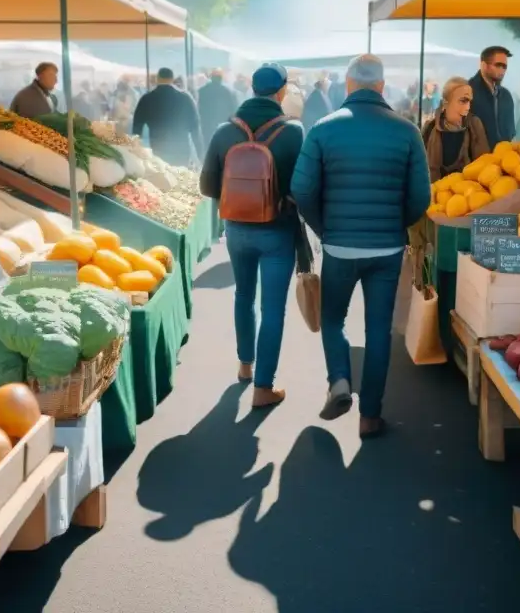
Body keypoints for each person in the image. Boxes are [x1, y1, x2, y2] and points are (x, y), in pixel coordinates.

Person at [291, 55, 430, 439]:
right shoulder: (407, 132)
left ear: (348, 85)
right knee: (379, 330)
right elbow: (421, 197)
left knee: (333, 319)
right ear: (382, 87)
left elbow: (301, 189)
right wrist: (394, 224)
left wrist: (325, 228)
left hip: (339, 247)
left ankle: (338, 380)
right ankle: (370, 415)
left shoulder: (322, 129)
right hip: (386, 249)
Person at [199, 63, 304, 408]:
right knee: (273, 308)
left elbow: (206, 185)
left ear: (252, 89)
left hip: (237, 230)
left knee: (243, 295)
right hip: (277, 231)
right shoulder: (293, 132)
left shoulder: (223, 131)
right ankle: (264, 388)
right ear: (282, 91)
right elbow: (302, 187)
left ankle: (245, 365)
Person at [420, 76, 490, 182]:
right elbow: (418, 169)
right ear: (445, 103)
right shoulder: (430, 129)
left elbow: (485, 168)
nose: (468, 107)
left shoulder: (474, 127)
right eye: (463, 101)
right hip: (435, 194)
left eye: (469, 102)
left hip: (469, 194)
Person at [132, 68, 204, 167]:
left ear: (157, 79)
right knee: (182, 180)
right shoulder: (185, 98)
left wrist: (136, 152)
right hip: (181, 151)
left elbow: (137, 128)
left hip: (158, 150)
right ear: (172, 79)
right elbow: (195, 128)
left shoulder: (146, 99)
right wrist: (200, 155)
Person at [468, 46, 516, 148]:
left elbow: (510, 133)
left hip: (503, 159)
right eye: (498, 65)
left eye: (504, 67)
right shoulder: (467, 92)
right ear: (484, 65)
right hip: (475, 161)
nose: (502, 70)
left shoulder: (506, 96)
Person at [197, 69, 238, 146]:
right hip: (223, 124)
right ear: (221, 78)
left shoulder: (202, 90)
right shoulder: (229, 91)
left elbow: (199, 107)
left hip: (206, 123)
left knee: (208, 144)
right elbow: (234, 109)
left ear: (211, 77)